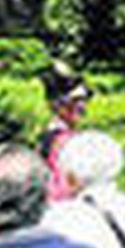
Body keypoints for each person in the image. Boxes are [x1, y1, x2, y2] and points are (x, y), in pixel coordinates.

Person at [39, 61, 92, 202]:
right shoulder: (63, 140)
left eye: (84, 101)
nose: (81, 107)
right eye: (74, 102)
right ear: (58, 105)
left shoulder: (52, 133)